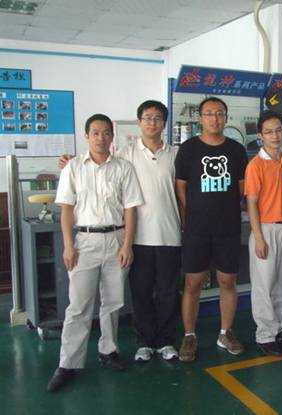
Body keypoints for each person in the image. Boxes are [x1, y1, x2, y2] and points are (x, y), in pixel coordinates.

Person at [59, 101, 182, 363]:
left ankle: (165, 341)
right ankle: (144, 342)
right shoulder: (126, 155)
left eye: (157, 118)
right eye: (147, 118)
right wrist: (69, 162)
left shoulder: (175, 154)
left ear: (164, 123)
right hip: (135, 238)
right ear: (139, 122)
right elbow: (99, 161)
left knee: (168, 292)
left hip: (169, 233)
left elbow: (183, 190)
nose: (152, 123)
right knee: (140, 293)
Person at [47, 114, 143, 392]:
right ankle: (68, 363)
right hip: (85, 243)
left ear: (112, 136)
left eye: (106, 133)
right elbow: (66, 209)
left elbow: (131, 209)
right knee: (79, 305)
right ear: (87, 136)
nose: (101, 138)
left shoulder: (124, 168)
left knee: (113, 302)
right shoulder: (73, 167)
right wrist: (68, 245)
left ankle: (108, 350)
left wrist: (127, 244)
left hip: (116, 239)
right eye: (96, 133)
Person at [175, 97, 248, 362]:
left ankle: (225, 333)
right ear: (200, 119)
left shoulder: (236, 150)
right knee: (192, 283)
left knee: (227, 281)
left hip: (228, 228)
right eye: (208, 114)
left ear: (226, 118)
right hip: (197, 229)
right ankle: (189, 335)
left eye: (219, 113)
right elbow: (181, 188)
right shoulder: (188, 149)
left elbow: (242, 188)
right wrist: (194, 214)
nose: (214, 118)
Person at [245, 110, 282, 356]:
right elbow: (252, 203)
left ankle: (278, 329)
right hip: (265, 230)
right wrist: (258, 237)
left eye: (278, 130)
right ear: (260, 136)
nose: (274, 136)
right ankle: (265, 335)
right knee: (264, 286)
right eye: (268, 132)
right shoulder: (255, 165)